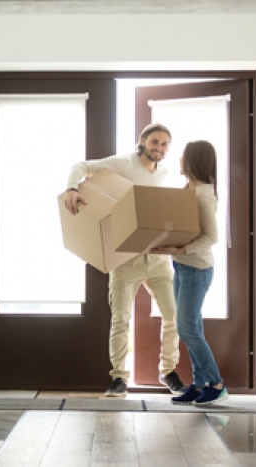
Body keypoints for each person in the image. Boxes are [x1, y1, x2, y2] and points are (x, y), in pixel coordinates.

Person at [64, 122, 185, 397]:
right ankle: (119, 378)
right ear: (142, 140)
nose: (159, 149)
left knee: (174, 316)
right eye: (155, 142)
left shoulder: (166, 173)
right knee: (121, 319)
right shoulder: (124, 164)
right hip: (125, 259)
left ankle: (168, 371)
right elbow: (81, 166)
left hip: (157, 259)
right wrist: (72, 188)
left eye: (165, 144)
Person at [150, 140, 228, 405]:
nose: (179, 160)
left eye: (183, 157)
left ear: (193, 161)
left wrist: (181, 250)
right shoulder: (190, 189)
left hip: (197, 270)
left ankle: (216, 383)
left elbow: (211, 236)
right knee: (192, 328)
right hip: (182, 267)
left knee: (187, 329)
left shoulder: (203, 194)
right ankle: (198, 384)